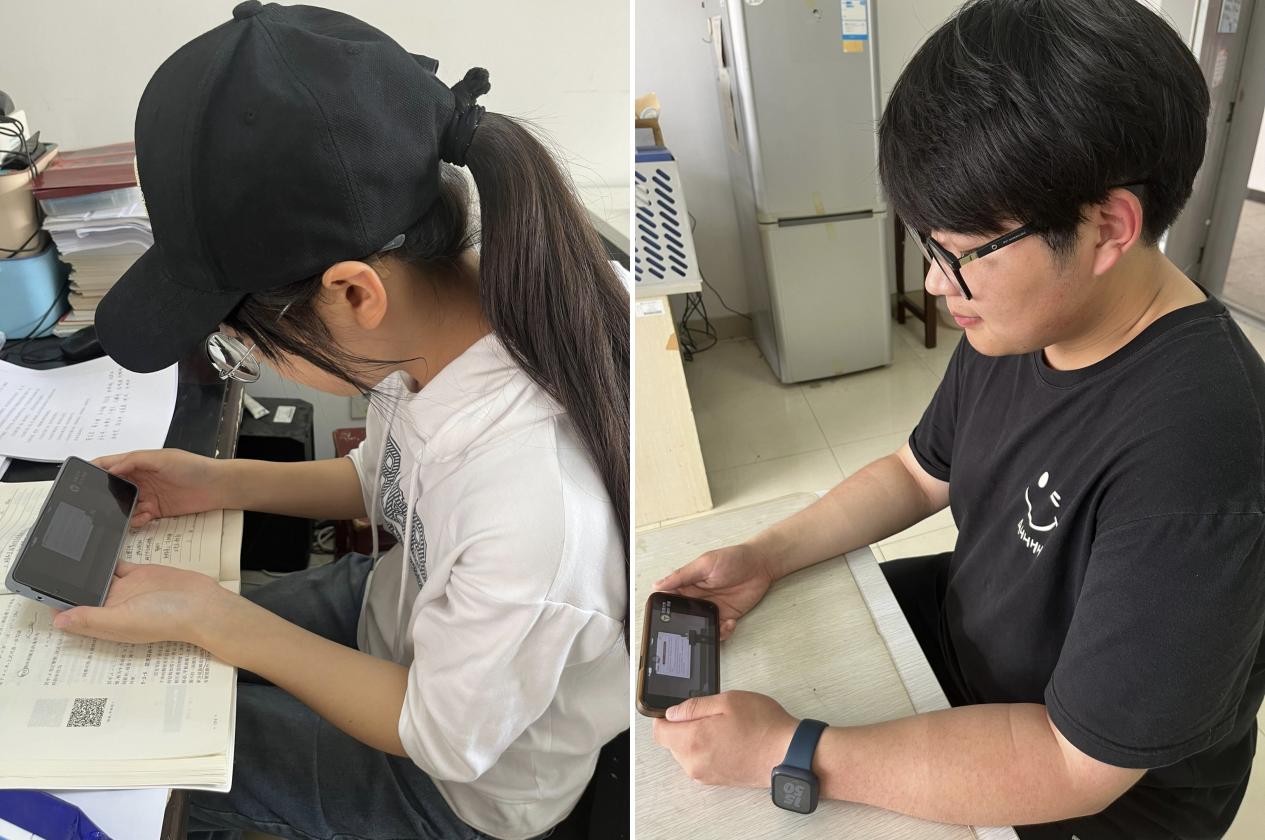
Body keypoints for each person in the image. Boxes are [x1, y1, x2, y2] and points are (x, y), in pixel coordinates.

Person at [651, 1, 1265, 837]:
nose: (935, 283)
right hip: (971, 648)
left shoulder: (1203, 457)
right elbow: (916, 473)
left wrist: (789, 753)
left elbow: (1074, 767)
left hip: (1090, 789)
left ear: (1106, 228)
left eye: (960, 252)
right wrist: (765, 554)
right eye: (926, 244)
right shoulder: (1025, 318)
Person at [52, 4, 629, 840]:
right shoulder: (441, 328)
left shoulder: (535, 504)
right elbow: (387, 480)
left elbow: (440, 735)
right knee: (158, 653)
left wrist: (217, 620)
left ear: (354, 291)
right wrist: (216, 482)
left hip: (455, 783)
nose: (248, 360)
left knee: (147, 743)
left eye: (243, 343)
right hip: (398, 612)